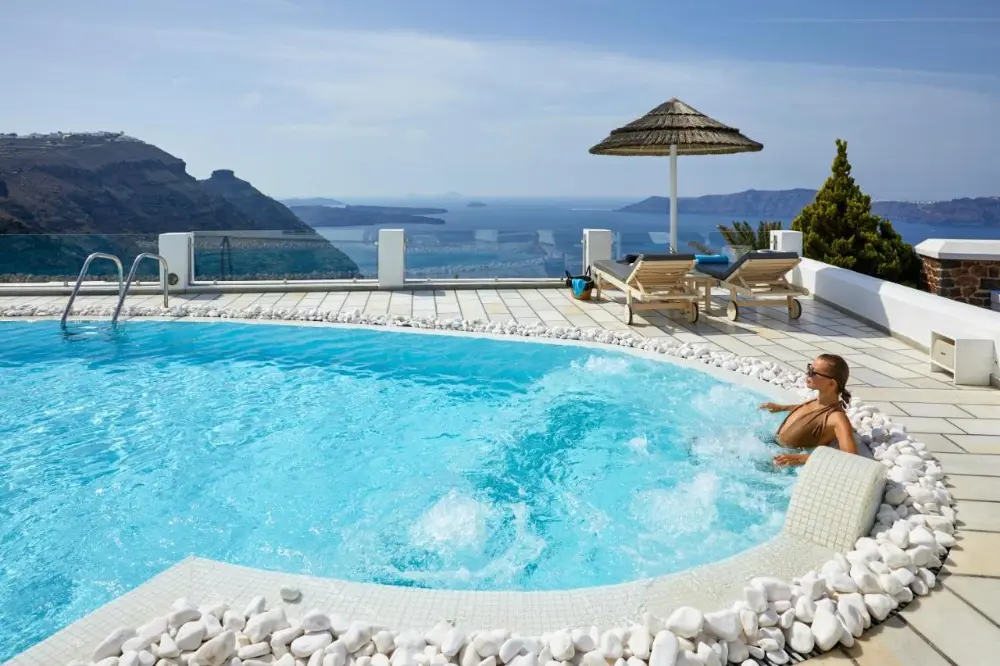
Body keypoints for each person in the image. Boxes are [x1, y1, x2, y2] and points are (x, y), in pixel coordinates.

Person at [759, 353, 857, 468]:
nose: (807, 374)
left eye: (813, 373)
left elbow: (851, 457)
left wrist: (802, 458)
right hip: (770, 449)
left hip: (778, 467)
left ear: (831, 383)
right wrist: (781, 408)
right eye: (809, 368)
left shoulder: (836, 418)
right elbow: (805, 412)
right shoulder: (817, 402)